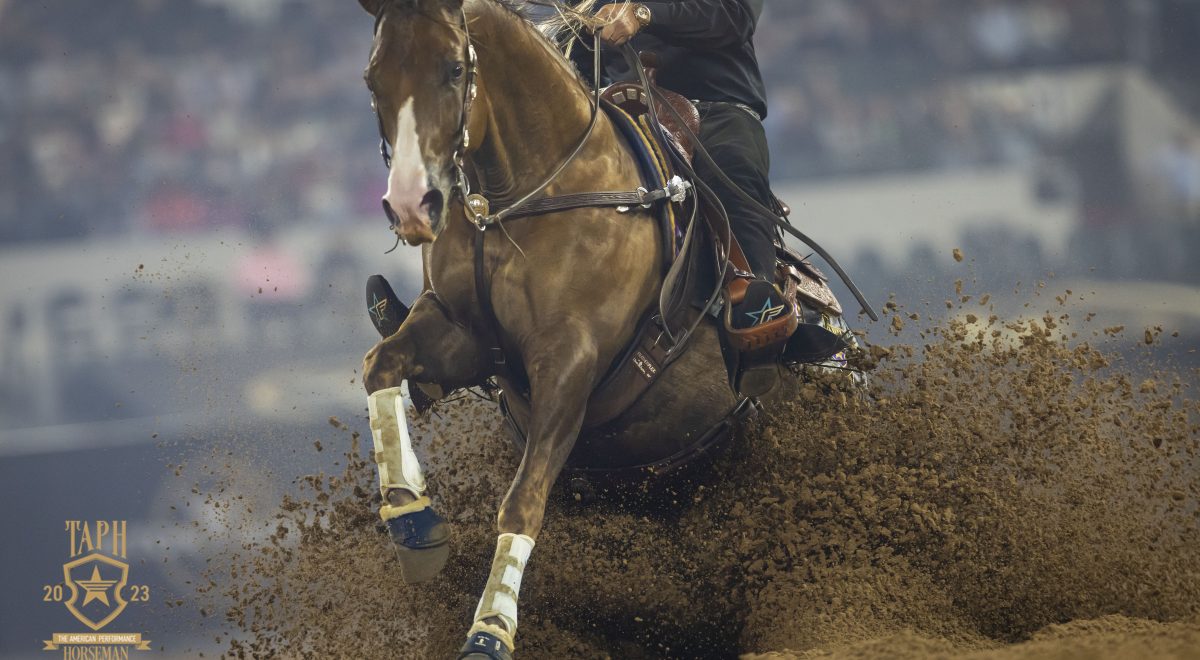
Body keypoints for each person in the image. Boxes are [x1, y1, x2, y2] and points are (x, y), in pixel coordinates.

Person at [576, 0, 792, 334]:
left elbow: (734, 17)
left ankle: (755, 300)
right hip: (615, 113)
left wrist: (644, 13)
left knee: (733, 164)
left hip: (715, 108)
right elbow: (571, 44)